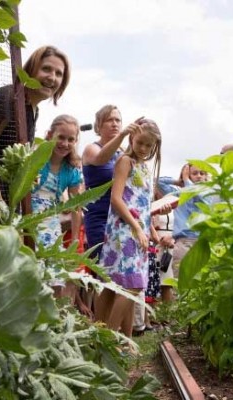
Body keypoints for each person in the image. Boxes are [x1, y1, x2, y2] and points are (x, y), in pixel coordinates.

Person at [0, 45, 71, 205]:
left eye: (59, 74)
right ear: (30, 70)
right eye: (46, 69)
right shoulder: (10, 97)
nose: (52, 77)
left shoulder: (32, 109)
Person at [97, 118, 162, 337]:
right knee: (130, 285)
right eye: (140, 142)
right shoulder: (126, 161)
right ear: (132, 138)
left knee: (119, 284)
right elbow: (116, 199)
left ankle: (109, 336)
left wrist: (151, 231)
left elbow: (142, 204)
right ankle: (109, 336)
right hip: (123, 230)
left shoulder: (144, 168)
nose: (143, 149)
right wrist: (136, 228)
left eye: (148, 145)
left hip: (138, 231)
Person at [81, 105, 130, 320]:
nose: (115, 124)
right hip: (99, 219)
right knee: (104, 273)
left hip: (118, 219)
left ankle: (118, 330)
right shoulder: (91, 149)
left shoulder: (122, 153)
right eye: (110, 120)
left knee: (121, 275)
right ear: (98, 126)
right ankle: (100, 327)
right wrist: (124, 136)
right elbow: (101, 158)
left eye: (118, 120)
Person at [31, 115, 83, 297]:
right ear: (50, 135)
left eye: (71, 139)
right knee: (31, 273)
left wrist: (75, 240)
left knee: (56, 275)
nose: (65, 143)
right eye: (61, 137)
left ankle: (52, 319)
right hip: (28, 218)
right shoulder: (36, 157)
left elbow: (76, 207)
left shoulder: (72, 170)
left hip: (51, 223)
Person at [157, 163, 215, 301]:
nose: (199, 176)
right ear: (187, 175)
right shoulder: (179, 194)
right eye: (194, 173)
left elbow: (195, 194)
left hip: (201, 242)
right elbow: (158, 182)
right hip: (183, 242)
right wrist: (179, 181)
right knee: (180, 280)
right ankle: (179, 316)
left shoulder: (207, 192)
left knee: (200, 280)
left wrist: (187, 181)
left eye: (202, 173)